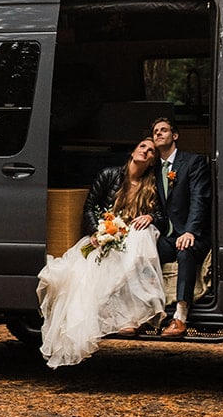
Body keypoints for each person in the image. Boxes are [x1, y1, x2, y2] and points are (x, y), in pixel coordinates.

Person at [37, 138, 168, 369]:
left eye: (151, 152)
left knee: (142, 234)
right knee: (87, 273)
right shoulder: (109, 175)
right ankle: (122, 317)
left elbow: (161, 215)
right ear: (134, 151)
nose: (146, 152)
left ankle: (130, 318)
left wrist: (150, 217)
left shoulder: (152, 185)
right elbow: (89, 207)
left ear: (152, 161)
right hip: (105, 237)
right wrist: (97, 233)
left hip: (132, 238)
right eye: (143, 147)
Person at [151, 115, 211, 338]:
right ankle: (145, 312)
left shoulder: (193, 162)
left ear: (175, 135)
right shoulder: (155, 168)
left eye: (163, 130)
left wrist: (190, 231)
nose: (158, 133)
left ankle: (180, 317)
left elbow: (200, 198)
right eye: (155, 131)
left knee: (185, 251)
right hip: (168, 235)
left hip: (194, 234)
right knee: (146, 250)